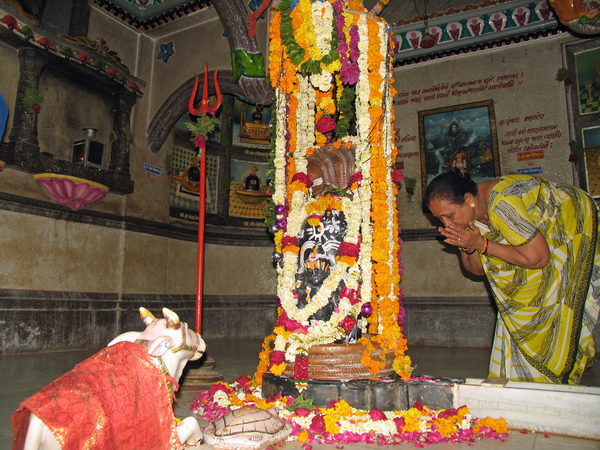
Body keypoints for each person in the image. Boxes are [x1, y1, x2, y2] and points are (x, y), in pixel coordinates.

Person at [424, 168, 600, 384]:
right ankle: (522, 375)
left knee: (552, 300)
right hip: (536, 244)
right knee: (519, 302)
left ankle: (552, 364)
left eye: (449, 216)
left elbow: (537, 258)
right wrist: (470, 246)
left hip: (571, 221)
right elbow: (475, 269)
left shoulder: (502, 204)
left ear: (468, 199)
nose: (446, 225)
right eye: (440, 219)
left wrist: (483, 244)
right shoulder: (471, 214)